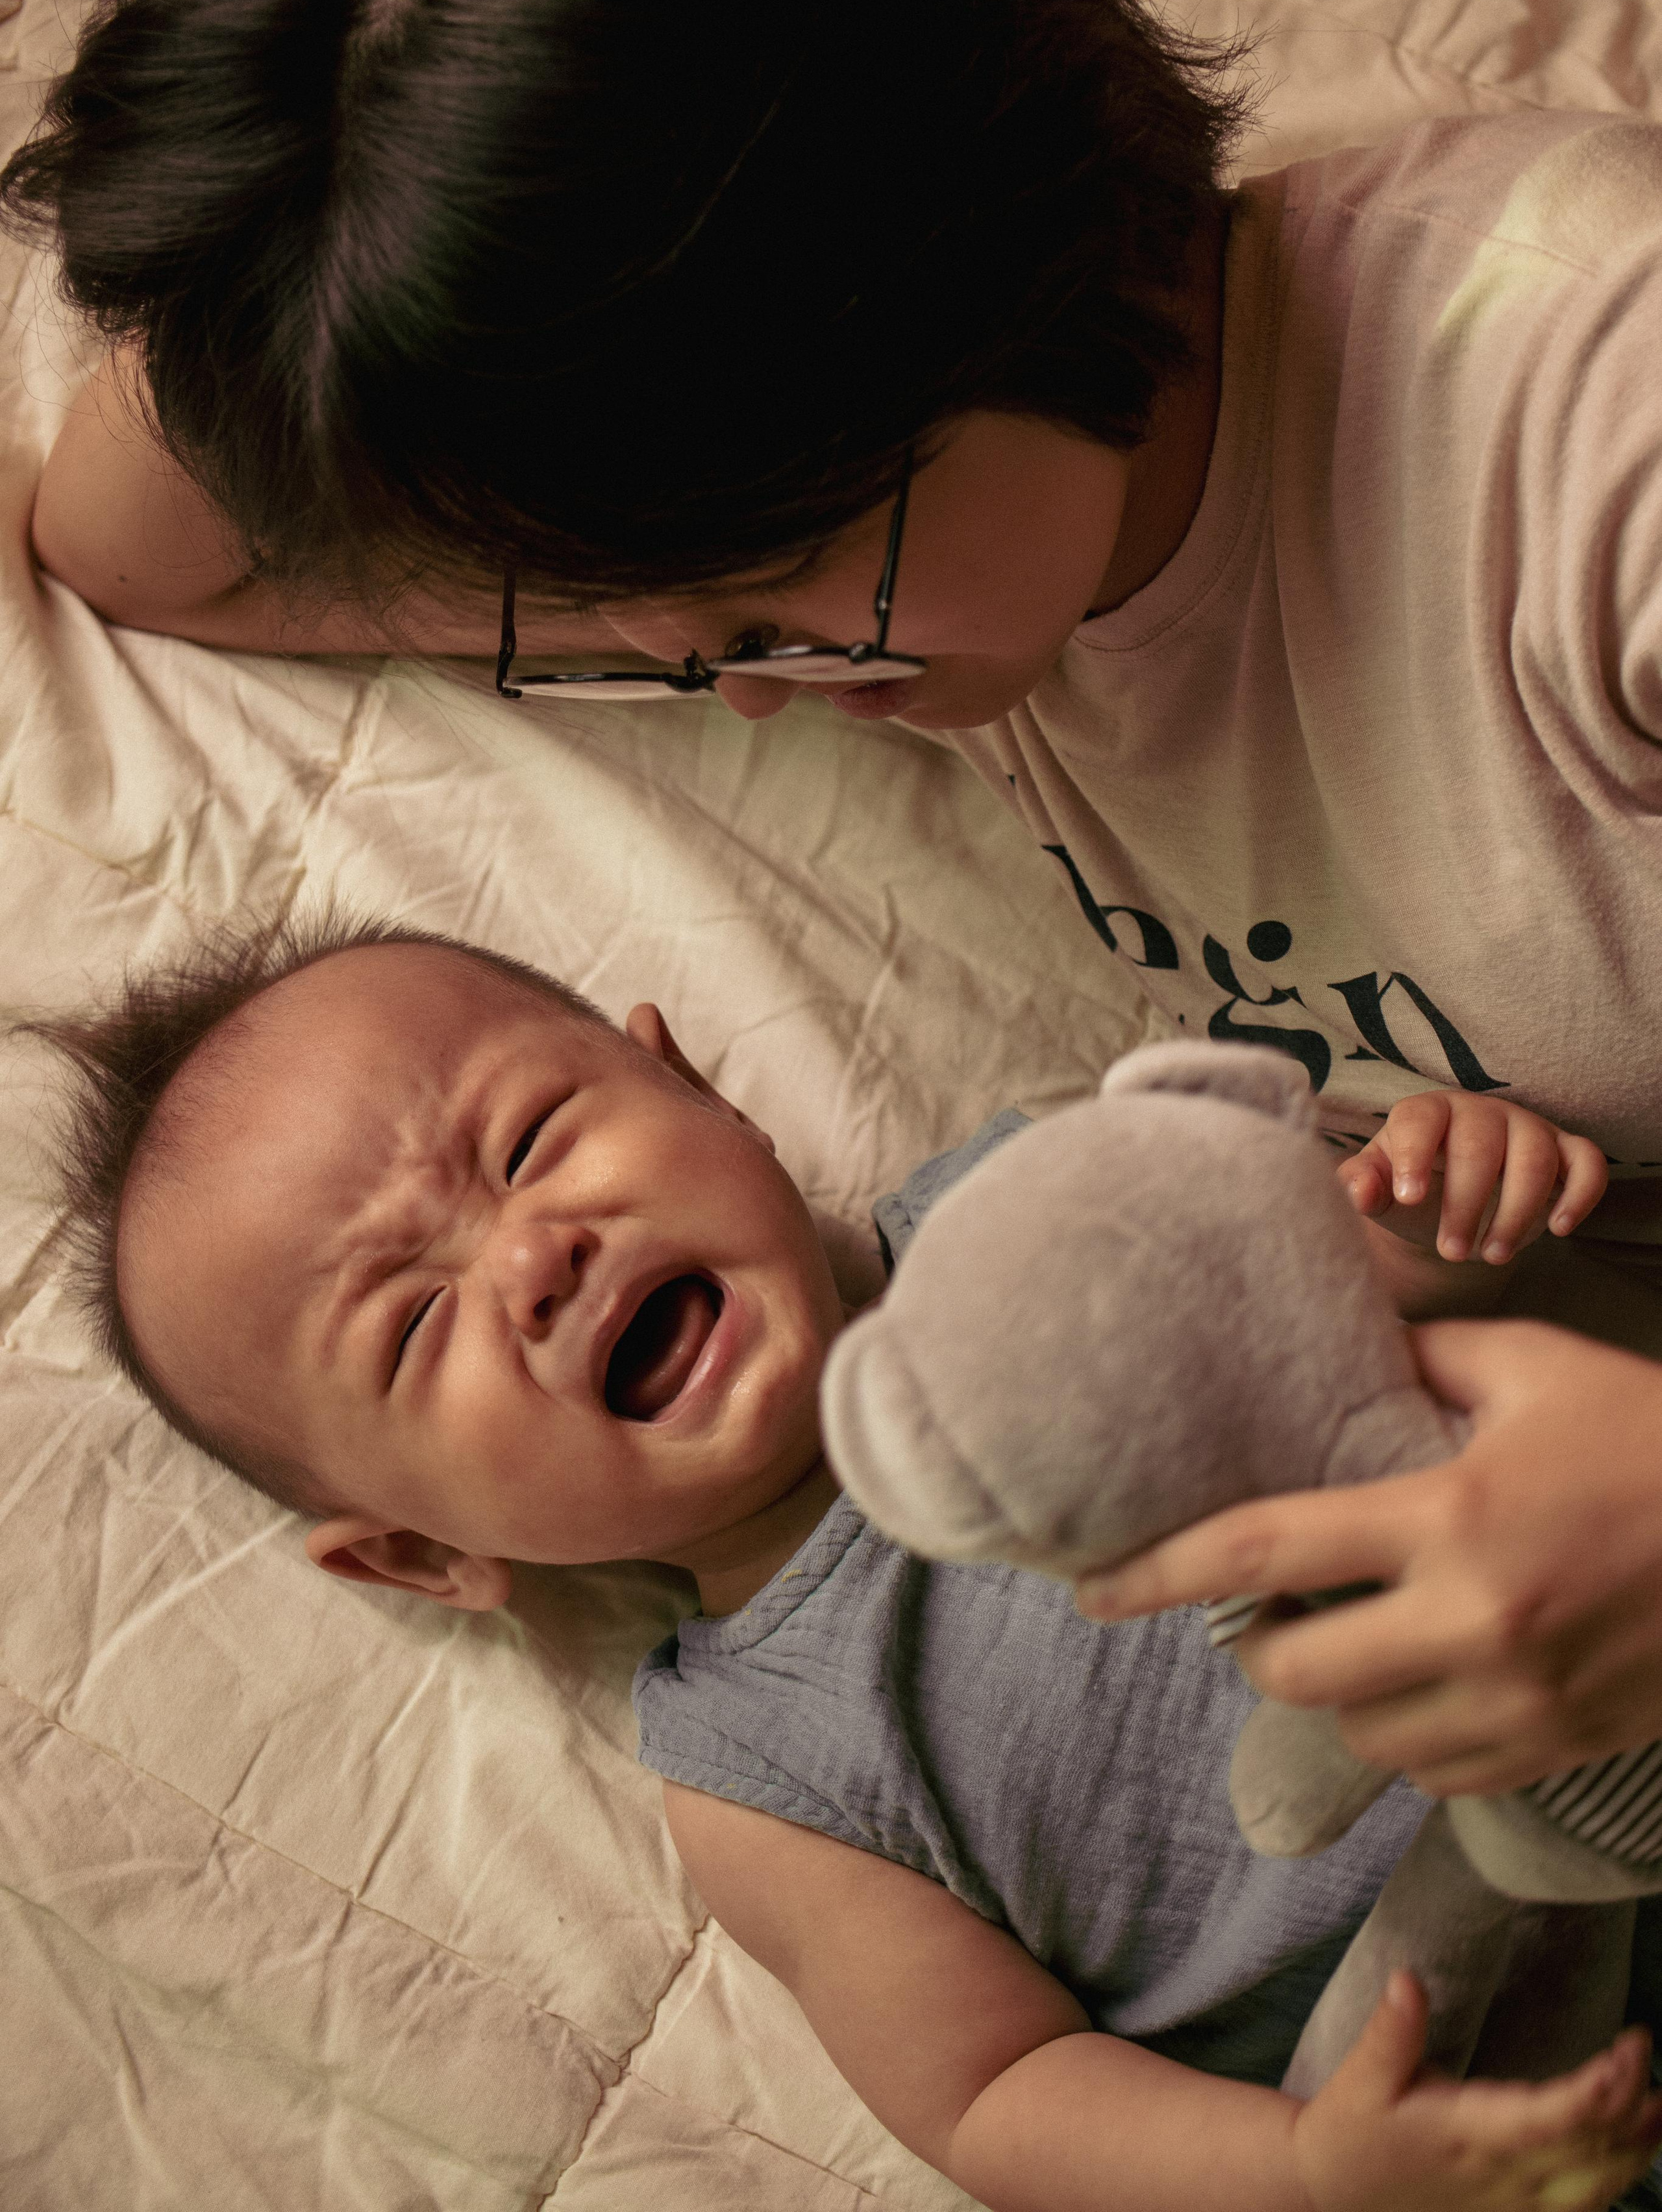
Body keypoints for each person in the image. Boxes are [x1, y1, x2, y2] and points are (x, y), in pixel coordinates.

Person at [10, 0, 1662, 1793]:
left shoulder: (1594, 442)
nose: (711, 671)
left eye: (771, 585)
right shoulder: (927, 543)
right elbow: (132, 541)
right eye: (623, 609)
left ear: (995, 246)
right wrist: (352, 143)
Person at [26, 909, 1662, 2212]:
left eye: (530, 1142)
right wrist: (1300, 2177)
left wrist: (1448, 1192)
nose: (531, 1258)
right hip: (1498, 2088)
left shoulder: (1033, 1200)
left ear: (699, 1092)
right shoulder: (758, 1773)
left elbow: (1347, 1265)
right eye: (413, 1323)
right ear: (417, 1551)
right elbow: (998, 2097)